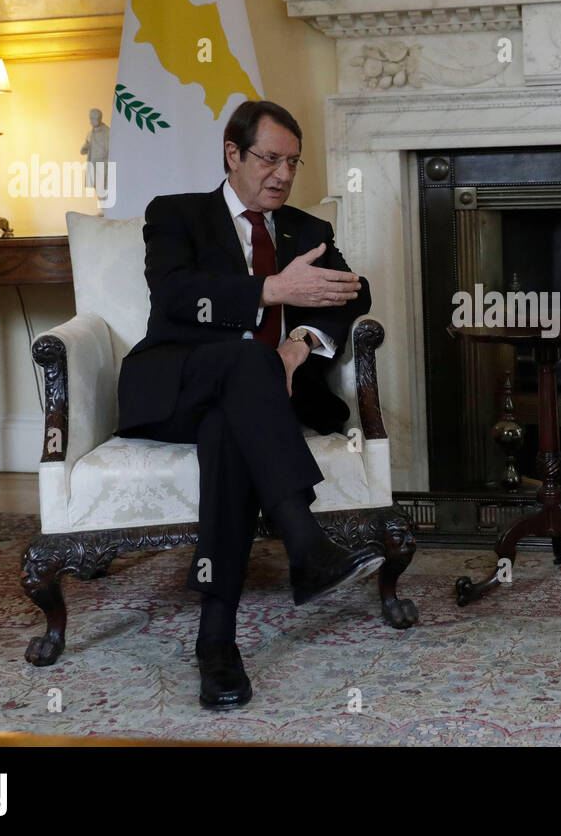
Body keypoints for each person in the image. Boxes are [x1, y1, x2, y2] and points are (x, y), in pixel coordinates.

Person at [116, 99, 384, 710]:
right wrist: (273, 290)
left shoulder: (307, 231)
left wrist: (299, 342)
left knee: (227, 433)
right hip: (175, 386)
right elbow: (179, 293)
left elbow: (352, 293)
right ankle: (304, 539)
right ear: (233, 154)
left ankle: (217, 644)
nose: (283, 175)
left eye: (293, 162)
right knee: (243, 363)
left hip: (252, 410)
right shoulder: (177, 215)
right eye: (269, 158)